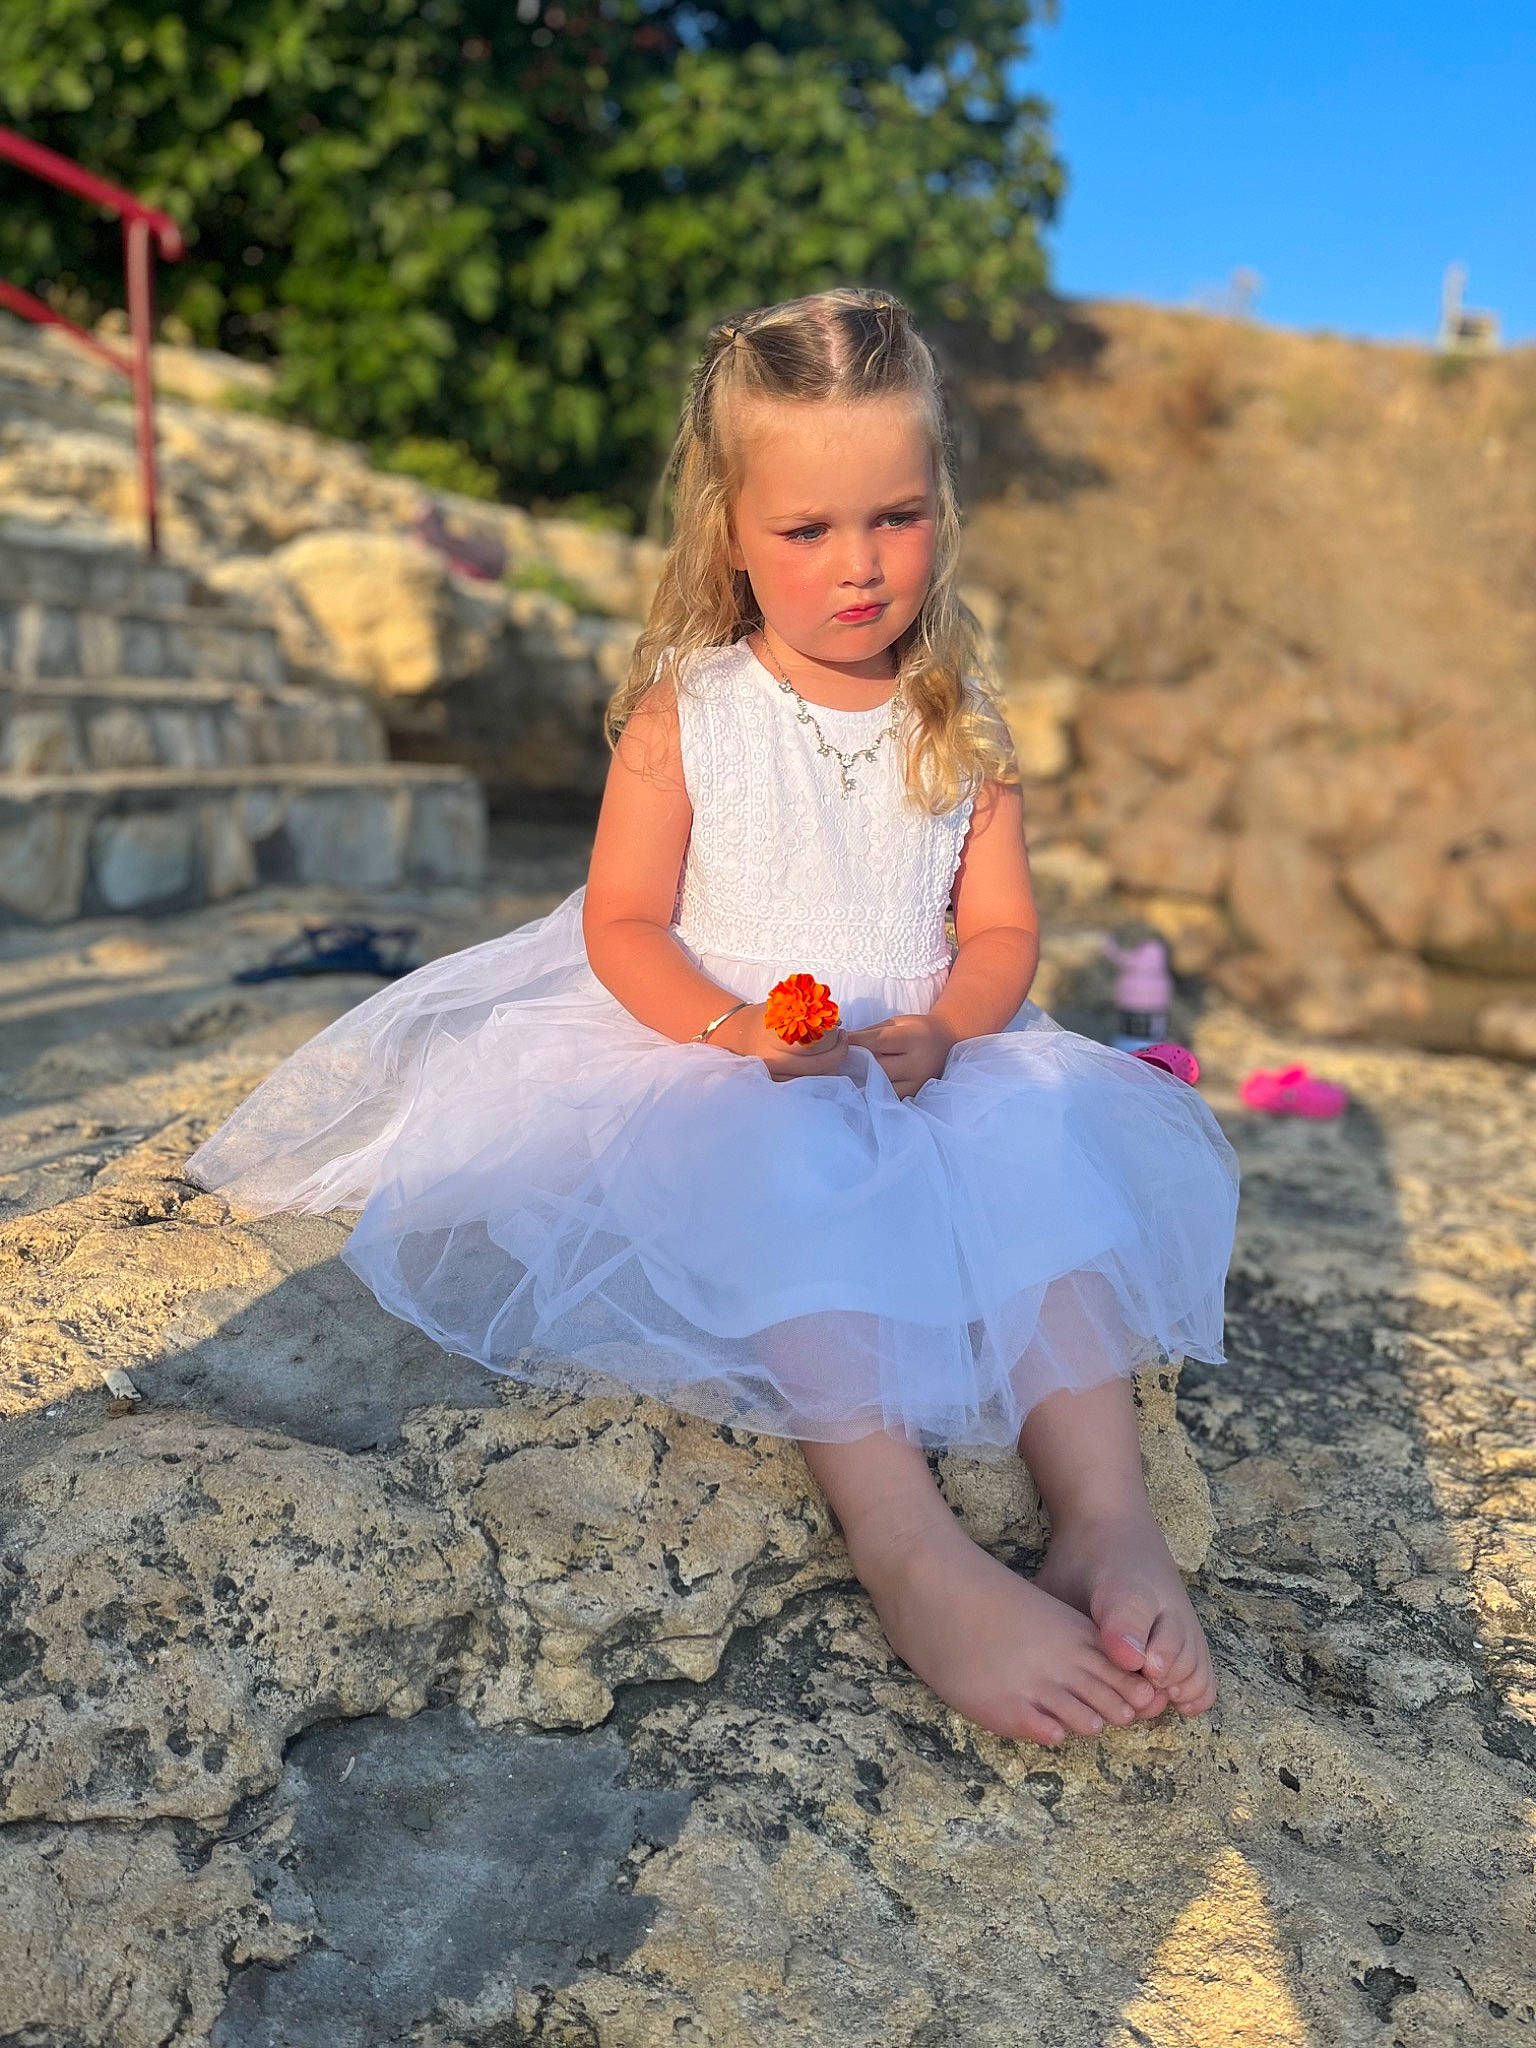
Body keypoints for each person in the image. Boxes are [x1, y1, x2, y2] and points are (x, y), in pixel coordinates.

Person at [182, 287, 1240, 1749]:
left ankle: (1107, 1518)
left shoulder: (961, 724)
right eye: (807, 530)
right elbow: (623, 922)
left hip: (923, 1047)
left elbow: (1001, 931)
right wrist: (730, 1030)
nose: (859, 566)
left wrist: (952, 1028)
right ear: (730, 530)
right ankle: (908, 1545)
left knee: (1044, 1143)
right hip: (728, 1042)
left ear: (942, 505)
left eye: (897, 517)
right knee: (781, 1161)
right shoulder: (696, 711)